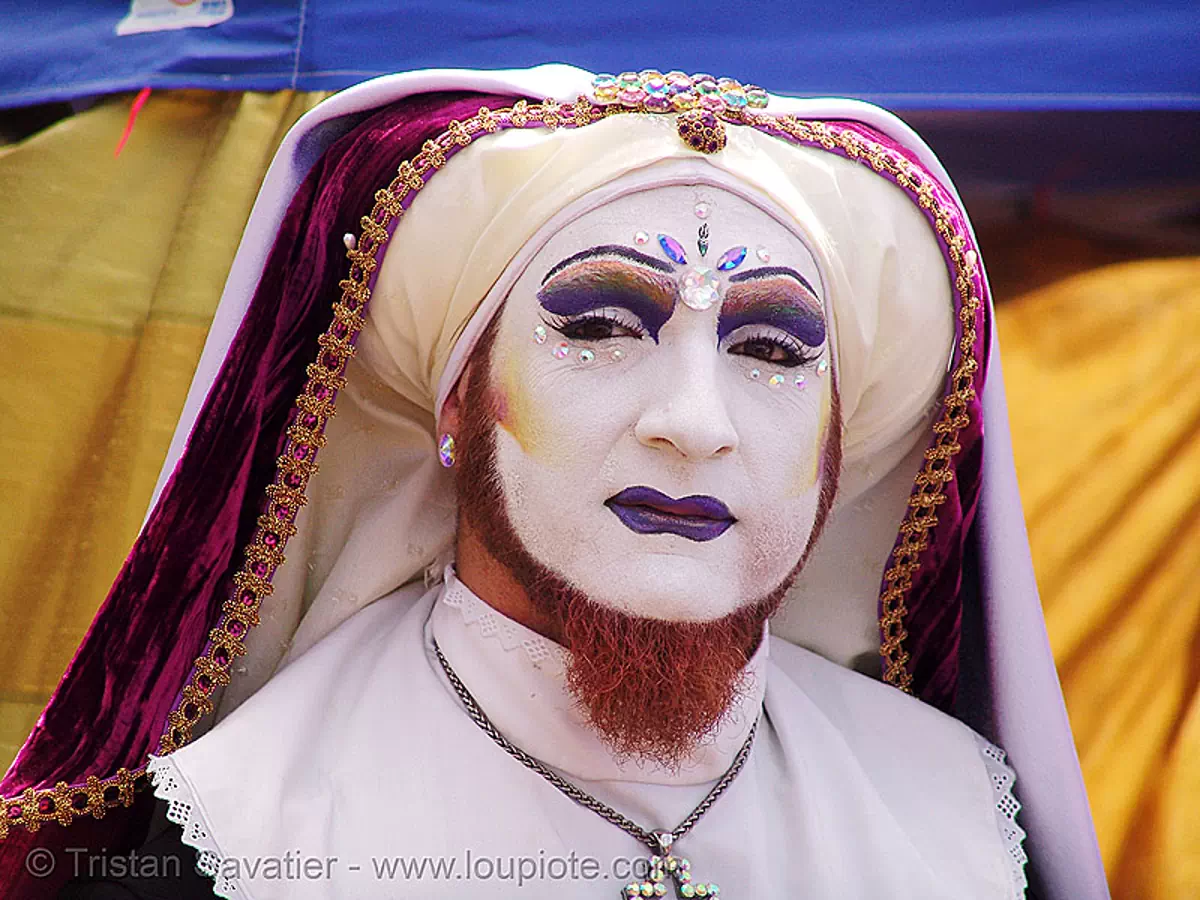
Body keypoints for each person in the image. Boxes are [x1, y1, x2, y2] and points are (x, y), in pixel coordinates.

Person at [1, 66, 1108, 899]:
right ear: (455, 404)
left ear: (838, 444)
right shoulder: (248, 831)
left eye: (772, 351)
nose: (693, 424)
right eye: (597, 327)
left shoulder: (953, 819)